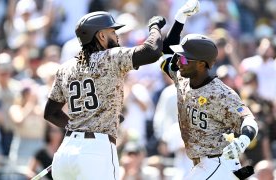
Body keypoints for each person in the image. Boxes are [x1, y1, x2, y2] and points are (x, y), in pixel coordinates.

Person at [43, 11, 166, 180]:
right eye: (113, 32)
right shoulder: (111, 57)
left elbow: (51, 113)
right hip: (96, 152)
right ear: (101, 36)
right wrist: (154, 26)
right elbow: (152, 51)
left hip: (66, 151)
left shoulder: (66, 67)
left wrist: (80, 129)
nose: (117, 37)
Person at [159, 2, 258, 179]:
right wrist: (180, 18)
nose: (178, 61)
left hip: (219, 162)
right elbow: (166, 52)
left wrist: (244, 139)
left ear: (201, 64)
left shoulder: (222, 94)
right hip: (205, 165)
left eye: (183, 59)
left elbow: (248, 119)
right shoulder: (182, 77)